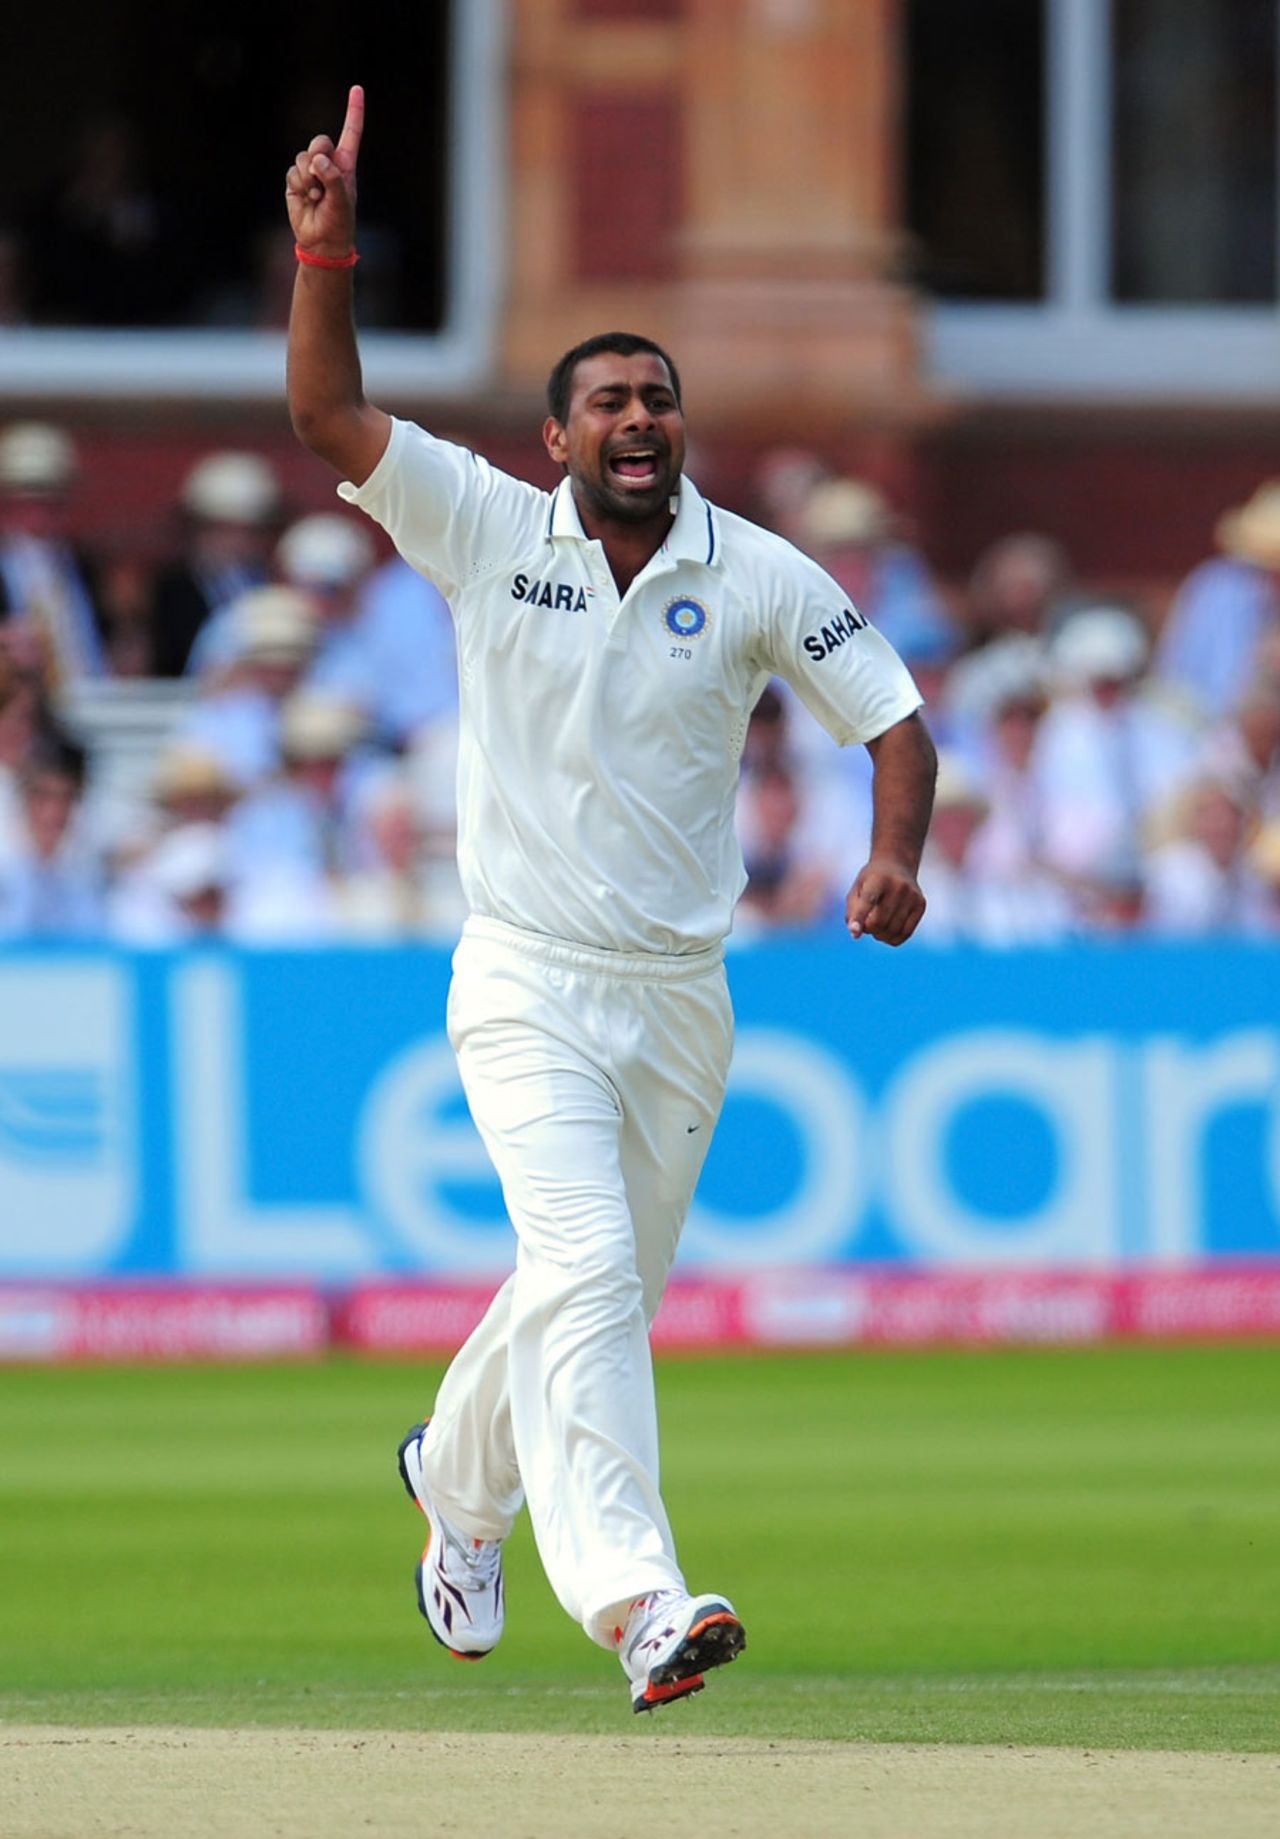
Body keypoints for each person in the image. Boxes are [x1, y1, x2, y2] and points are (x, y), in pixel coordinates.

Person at [285, 87, 936, 1715]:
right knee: (583, 1273)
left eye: (658, 398)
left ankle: (457, 1476)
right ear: (557, 438)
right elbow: (327, 417)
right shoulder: (491, 528)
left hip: (678, 998)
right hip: (521, 975)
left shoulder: (761, 570)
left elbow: (898, 723)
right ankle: (640, 1598)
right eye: (607, 402)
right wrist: (326, 257)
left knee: (588, 1294)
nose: (637, 419)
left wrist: (896, 851)